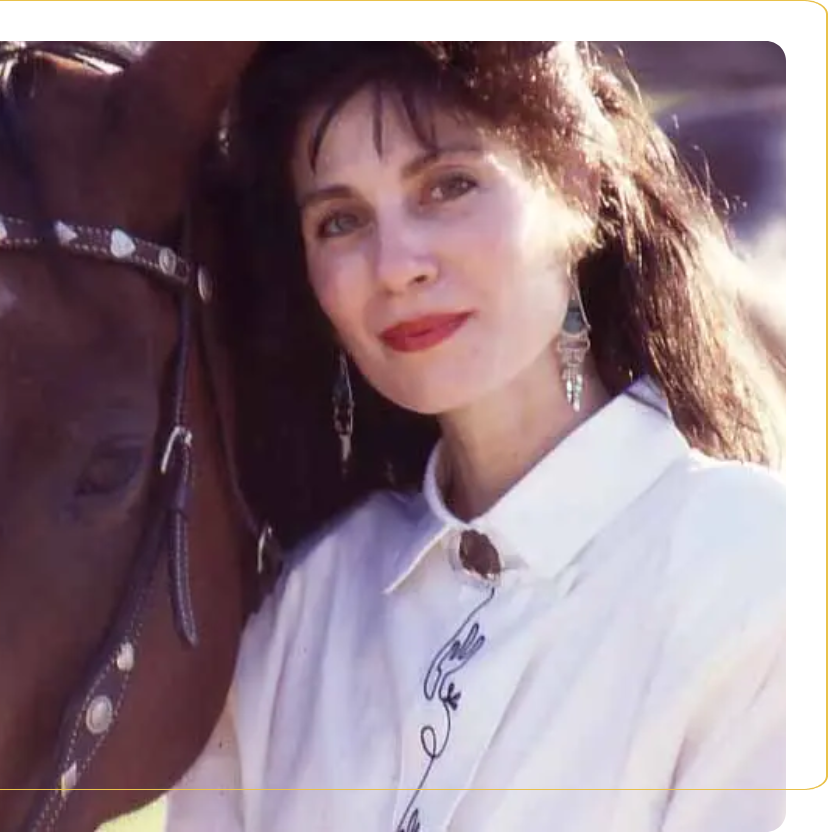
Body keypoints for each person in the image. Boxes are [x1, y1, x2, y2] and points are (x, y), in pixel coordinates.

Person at [165, 41, 786, 832]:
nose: (396, 265)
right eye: (341, 219)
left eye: (447, 186)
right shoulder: (302, 606)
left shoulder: (754, 571)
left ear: (578, 187)